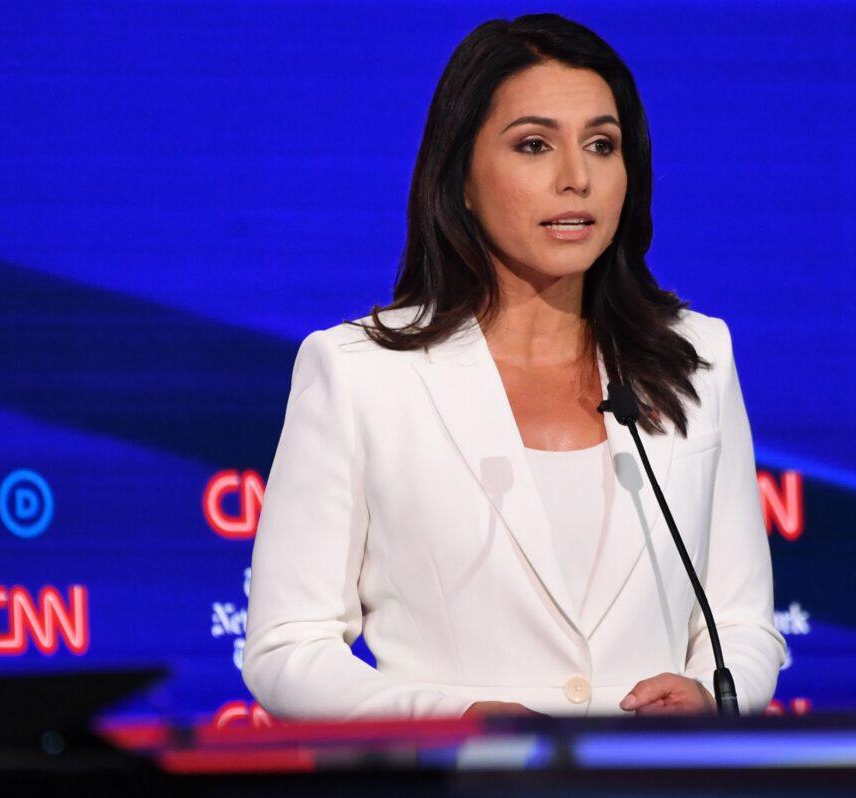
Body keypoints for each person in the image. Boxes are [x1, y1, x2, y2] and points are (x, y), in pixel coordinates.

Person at [242, 12, 787, 720]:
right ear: (461, 176)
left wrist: (716, 696)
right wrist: (453, 721)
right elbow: (289, 647)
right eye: (534, 145)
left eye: (602, 144)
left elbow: (742, 625)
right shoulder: (360, 372)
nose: (576, 178)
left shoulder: (696, 356)